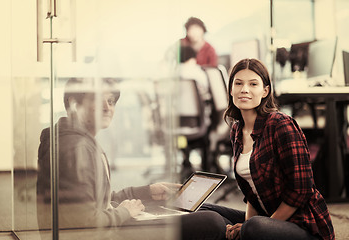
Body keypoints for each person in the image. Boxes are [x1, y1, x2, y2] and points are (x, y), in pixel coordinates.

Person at [36, 77, 226, 240]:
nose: (106, 107)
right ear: (73, 104)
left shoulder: (74, 140)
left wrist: (145, 192)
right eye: (98, 100)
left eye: (110, 101)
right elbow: (84, 223)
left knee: (203, 209)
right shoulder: (75, 149)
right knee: (211, 221)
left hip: (103, 228)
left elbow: (94, 201)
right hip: (102, 235)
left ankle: (251, 223)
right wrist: (124, 212)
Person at [201, 58, 335, 240]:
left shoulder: (280, 123)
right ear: (231, 89)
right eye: (238, 83)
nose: (244, 89)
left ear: (265, 91)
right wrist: (245, 226)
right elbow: (251, 193)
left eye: (253, 84)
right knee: (205, 210)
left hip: (302, 225)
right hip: (266, 218)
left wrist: (249, 227)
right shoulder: (236, 130)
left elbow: (302, 189)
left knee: (253, 228)